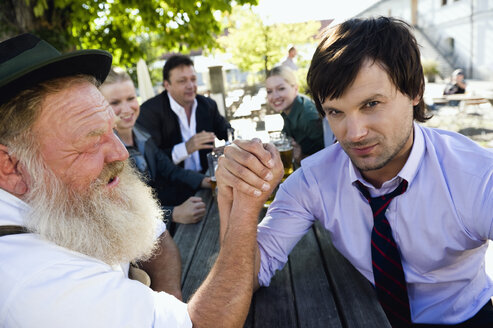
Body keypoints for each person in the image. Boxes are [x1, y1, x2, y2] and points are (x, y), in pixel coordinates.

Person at [216, 17, 493, 326]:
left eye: (371, 104)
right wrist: (240, 200)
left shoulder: (475, 176)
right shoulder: (314, 181)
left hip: (466, 318)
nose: (353, 133)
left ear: (415, 92)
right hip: (363, 315)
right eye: (336, 111)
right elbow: (249, 274)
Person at [0, 33, 264, 327]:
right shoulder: (39, 286)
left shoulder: (71, 190)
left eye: (110, 130)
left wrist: (166, 305)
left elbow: (154, 234)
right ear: (10, 165)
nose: (120, 154)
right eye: (89, 142)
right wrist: (244, 203)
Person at [99, 68, 209, 234]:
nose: (127, 108)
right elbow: (122, 210)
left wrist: (206, 181)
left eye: (130, 98)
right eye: (115, 103)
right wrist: (173, 213)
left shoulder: (141, 132)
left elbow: (168, 169)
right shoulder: (104, 152)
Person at [137, 54, 231, 206]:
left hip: (208, 184)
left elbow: (226, 130)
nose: (190, 85)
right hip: (172, 193)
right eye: (182, 81)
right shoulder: (149, 111)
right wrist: (185, 148)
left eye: (193, 79)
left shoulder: (207, 105)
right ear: (166, 85)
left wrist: (227, 146)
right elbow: (152, 161)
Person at [266, 65, 330, 164]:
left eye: (281, 89)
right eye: (269, 91)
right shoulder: (288, 110)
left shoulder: (308, 116)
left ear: (295, 88)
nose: (274, 96)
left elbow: (329, 160)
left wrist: (300, 156)